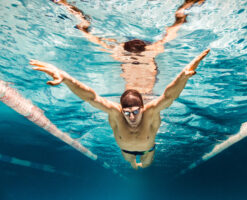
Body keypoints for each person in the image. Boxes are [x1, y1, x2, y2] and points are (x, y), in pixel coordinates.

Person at [30, 49, 210, 169]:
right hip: (125, 152)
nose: (131, 116)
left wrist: (183, 76)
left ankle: (141, 165)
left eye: (136, 111)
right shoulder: (115, 113)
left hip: (148, 150)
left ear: (142, 107)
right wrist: (67, 78)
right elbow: (90, 97)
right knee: (132, 164)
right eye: (127, 112)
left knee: (145, 166)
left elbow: (169, 96)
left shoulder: (151, 111)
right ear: (121, 110)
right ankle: (134, 164)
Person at [50, 0, 206, 95]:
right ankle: (72, 11)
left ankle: (184, 10)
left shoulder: (143, 55)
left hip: (136, 53)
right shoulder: (140, 56)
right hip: (135, 53)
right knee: (87, 31)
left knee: (87, 31)